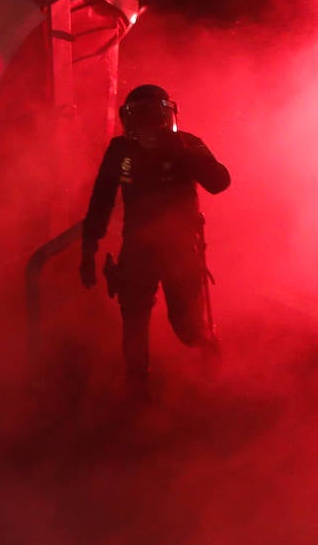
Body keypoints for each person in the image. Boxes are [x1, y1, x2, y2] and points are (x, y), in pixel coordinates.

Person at [80, 84, 230, 400]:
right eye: (141, 117)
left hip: (180, 248)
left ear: (167, 115)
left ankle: (205, 343)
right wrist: (88, 248)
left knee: (186, 328)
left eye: (154, 115)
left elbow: (219, 182)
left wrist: (182, 153)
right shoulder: (121, 150)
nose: (149, 124)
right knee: (134, 318)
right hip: (138, 247)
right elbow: (101, 200)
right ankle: (137, 386)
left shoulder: (187, 142)